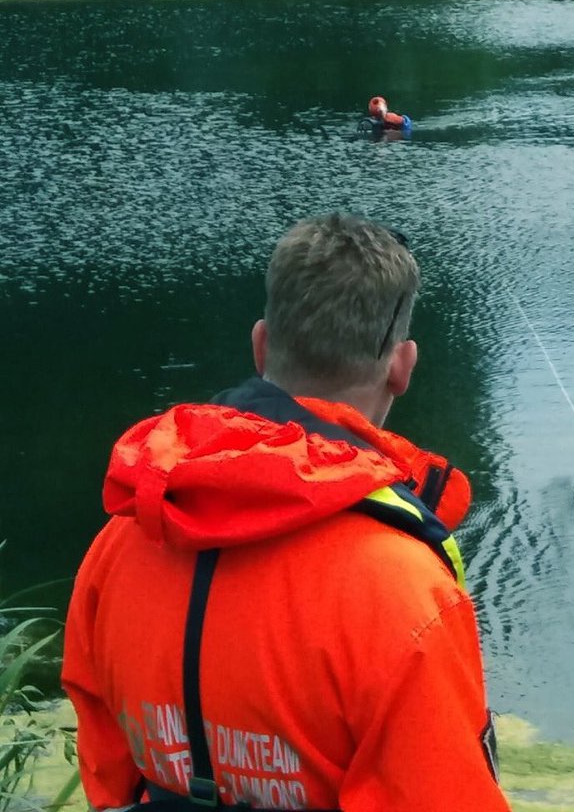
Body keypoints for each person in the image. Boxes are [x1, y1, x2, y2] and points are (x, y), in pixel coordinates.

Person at [62, 213, 510, 812]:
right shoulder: (404, 588)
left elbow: (106, 766)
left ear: (261, 345)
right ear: (403, 366)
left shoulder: (125, 538)